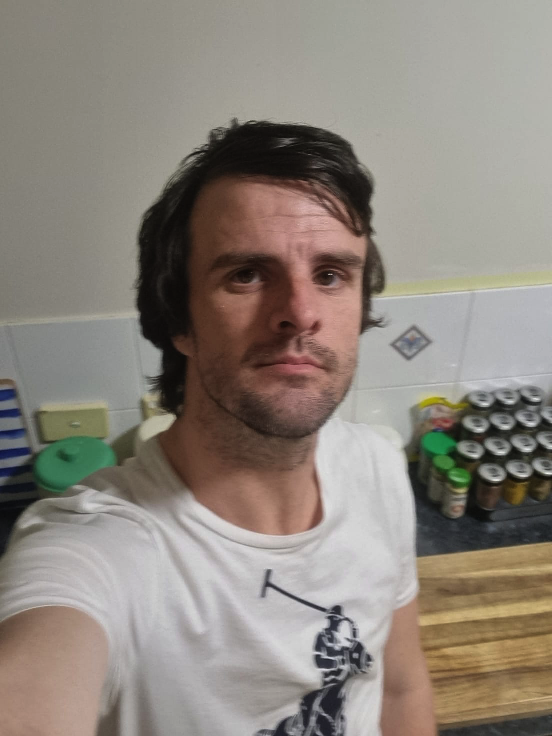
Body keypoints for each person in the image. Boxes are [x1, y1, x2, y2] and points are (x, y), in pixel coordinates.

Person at [0, 120, 436, 735]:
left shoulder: (379, 468)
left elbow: (399, 687)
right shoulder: (103, 547)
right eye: (247, 274)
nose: (301, 313)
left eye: (331, 275)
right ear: (179, 320)